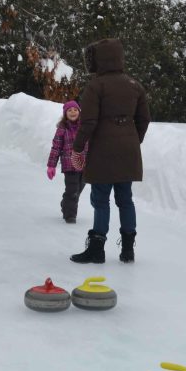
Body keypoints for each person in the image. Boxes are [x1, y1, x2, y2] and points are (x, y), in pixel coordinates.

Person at [70, 38, 150, 264]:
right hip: (128, 151)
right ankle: (127, 249)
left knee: (101, 199)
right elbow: (144, 119)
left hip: (103, 151)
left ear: (99, 59)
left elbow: (88, 122)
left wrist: (77, 148)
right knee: (126, 199)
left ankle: (97, 249)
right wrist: (134, 140)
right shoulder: (135, 85)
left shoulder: (96, 86)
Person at [46, 100, 86, 224]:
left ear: (79, 112)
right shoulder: (62, 129)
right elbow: (56, 147)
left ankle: (66, 203)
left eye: (75, 110)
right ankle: (70, 216)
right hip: (69, 166)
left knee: (79, 189)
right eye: (69, 110)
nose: (73, 112)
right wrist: (51, 165)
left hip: (84, 165)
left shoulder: (85, 128)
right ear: (65, 113)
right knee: (72, 190)